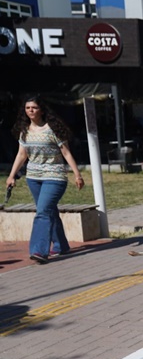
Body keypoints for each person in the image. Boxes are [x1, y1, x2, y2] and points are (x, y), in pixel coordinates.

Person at [6, 95, 85, 264]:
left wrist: (77, 174)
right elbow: (21, 154)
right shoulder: (24, 131)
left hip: (54, 177)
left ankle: (39, 250)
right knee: (49, 210)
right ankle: (61, 245)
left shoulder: (53, 129)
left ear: (41, 110)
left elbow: (66, 153)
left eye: (34, 107)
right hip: (33, 178)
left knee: (42, 212)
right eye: (28, 108)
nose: (31, 111)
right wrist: (11, 176)